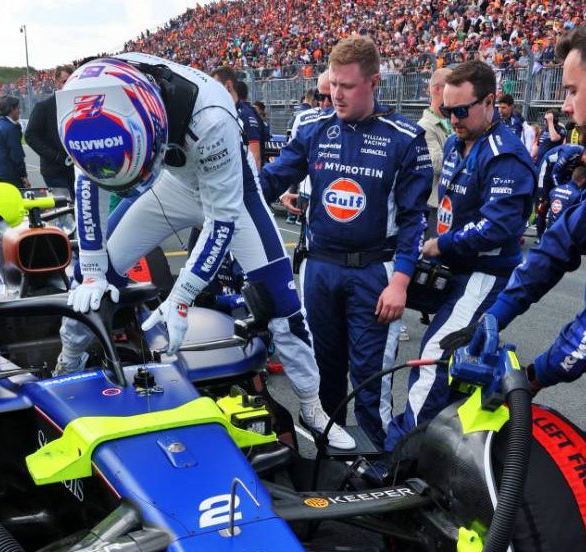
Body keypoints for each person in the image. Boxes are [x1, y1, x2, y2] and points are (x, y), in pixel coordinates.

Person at [54, 54, 355, 450]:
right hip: (167, 184)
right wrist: (92, 270)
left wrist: (180, 299)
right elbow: (87, 187)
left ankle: (312, 406)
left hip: (231, 196)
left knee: (284, 306)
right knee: (92, 280)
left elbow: (221, 224)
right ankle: (65, 368)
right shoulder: (88, 102)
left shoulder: (211, 116)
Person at [450, 6, 586, 549]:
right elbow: (558, 244)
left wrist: (529, 379)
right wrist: (497, 313)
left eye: (571, 90)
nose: (565, 106)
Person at [260, 36, 432, 448]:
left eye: (347, 86)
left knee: (370, 382)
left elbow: (413, 220)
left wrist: (401, 283)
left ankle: (380, 467)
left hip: (376, 274)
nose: (336, 94)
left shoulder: (405, 137)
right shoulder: (313, 128)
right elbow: (270, 180)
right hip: (319, 269)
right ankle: (326, 460)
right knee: (323, 376)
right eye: (333, 84)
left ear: (373, 83)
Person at [384, 60, 535, 449]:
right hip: (452, 271)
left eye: (461, 111)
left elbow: (497, 226)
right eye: (446, 111)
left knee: (436, 355)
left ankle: (400, 452)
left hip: (485, 275)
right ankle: (446, 455)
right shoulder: (454, 142)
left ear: (489, 102)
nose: (453, 119)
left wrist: (443, 244)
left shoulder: (506, 155)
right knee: (459, 371)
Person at [280, 70, 333, 225]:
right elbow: (290, 159)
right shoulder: (304, 119)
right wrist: (285, 192)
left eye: (330, 98)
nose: (325, 103)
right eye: (320, 97)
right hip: (308, 194)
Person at [25, 65, 75, 198]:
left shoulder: (77, 106)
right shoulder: (44, 107)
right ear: (57, 83)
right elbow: (30, 136)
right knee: (66, 209)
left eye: (72, 81)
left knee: (77, 207)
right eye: (65, 81)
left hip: (75, 168)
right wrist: (55, 156)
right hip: (54, 170)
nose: (68, 85)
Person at [535, 144, 586, 240]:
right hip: (547, 169)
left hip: (561, 174)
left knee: (564, 199)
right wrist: (561, 191)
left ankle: (559, 231)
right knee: (543, 202)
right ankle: (540, 236)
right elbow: (555, 173)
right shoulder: (570, 153)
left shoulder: (583, 159)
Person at [417, 67, 453, 225]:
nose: (455, 90)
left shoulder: (452, 121)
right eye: (451, 86)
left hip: (452, 201)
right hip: (436, 204)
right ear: (438, 89)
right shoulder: (425, 126)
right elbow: (438, 165)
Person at [211, 67, 263, 170]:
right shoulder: (221, 112)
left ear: (229, 85)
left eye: (215, 86)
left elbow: (255, 157)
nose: (212, 91)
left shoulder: (245, 115)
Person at [0, 96, 29, 189]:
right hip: (12, 174)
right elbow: (17, 154)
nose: (19, 111)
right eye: (18, 108)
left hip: (2, 172)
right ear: (12, 109)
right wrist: (23, 176)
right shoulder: (10, 128)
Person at [545, 165, 586, 229]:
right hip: (563, 230)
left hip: (550, 228)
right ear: (583, 180)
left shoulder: (554, 190)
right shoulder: (577, 195)